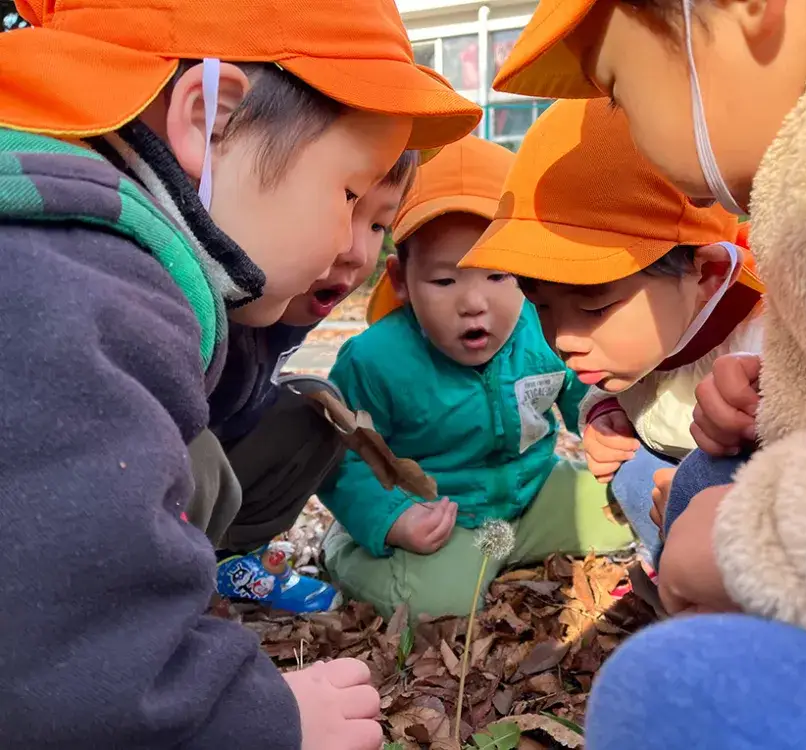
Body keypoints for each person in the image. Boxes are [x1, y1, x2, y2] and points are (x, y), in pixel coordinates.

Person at [484, 0, 806, 745]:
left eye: (619, 92)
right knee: (699, 481)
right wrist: (771, 394)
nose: (626, 135)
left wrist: (764, 542)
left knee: (663, 691)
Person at [0, 0, 480, 747]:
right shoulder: (72, 294)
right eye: (349, 193)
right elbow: (74, 660)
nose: (356, 247)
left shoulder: (69, 240)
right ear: (213, 119)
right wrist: (258, 723)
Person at [319, 134, 634, 619]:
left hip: (534, 494)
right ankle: (344, 549)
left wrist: (603, 423)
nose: (474, 303)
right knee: (437, 605)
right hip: (444, 516)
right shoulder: (375, 360)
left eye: (498, 275)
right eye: (445, 280)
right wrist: (392, 520)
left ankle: (499, 555)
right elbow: (340, 459)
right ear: (401, 281)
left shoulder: (541, 326)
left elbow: (582, 390)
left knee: (635, 505)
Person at [460, 98, 762, 594]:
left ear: (704, 274)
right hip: (680, 504)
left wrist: (758, 413)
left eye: (596, 307)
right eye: (543, 306)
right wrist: (603, 420)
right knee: (630, 470)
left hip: (762, 519)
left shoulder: (760, 335)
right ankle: (666, 571)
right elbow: (626, 396)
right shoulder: (642, 342)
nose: (563, 338)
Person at [199, 150, 419, 614]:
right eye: (343, 205)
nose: (357, 251)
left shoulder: (298, 304)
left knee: (319, 406)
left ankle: (234, 558)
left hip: (223, 456)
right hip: (152, 488)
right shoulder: (195, 304)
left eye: (379, 224)